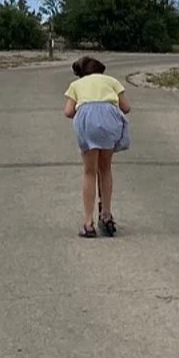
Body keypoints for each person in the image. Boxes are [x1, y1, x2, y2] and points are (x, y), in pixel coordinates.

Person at [63, 55, 130, 238]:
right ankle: (106, 214)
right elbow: (126, 107)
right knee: (105, 168)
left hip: (87, 118)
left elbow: (68, 111)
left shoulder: (76, 85)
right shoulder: (112, 81)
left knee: (89, 171)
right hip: (109, 119)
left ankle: (88, 222)